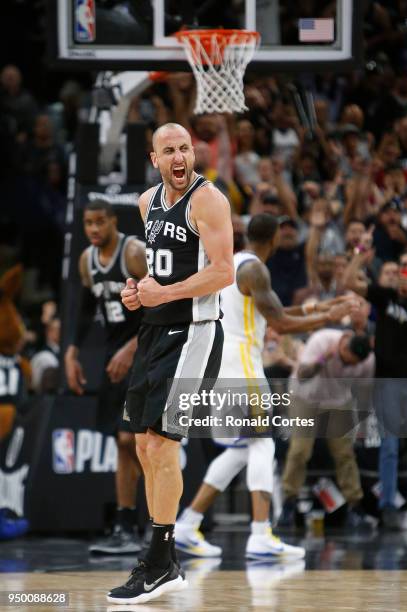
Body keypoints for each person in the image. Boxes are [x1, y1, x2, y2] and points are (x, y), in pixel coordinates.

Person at [175, 214, 355, 560]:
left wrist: (321, 307)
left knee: (241, 449)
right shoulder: (255, 269)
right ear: (273, 239)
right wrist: (329, 318)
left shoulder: (235, 264)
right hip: (243, 367)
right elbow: (281, 323)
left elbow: (269, 309)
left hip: (221, 365)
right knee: (262, 444)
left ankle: (187, 524)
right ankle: (260, 535)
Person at [107, 122, 234, 605]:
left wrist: (166, 293)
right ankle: (165, 563)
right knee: (142, 445)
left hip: (196, 335)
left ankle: (159, 562)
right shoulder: (147, 203)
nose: (180, 157)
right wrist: (139, 293)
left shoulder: (209, 200)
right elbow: (165, 268)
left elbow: (223, 271)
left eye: (185, 148)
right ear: (154, 158)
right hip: (156, 332)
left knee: (161, 445)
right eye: (170, 150)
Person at [64, 199, 147, 554]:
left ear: (113, 221)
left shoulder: (134, 253)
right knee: (122, 443)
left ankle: (154, 524)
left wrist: (132, 348)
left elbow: (165, 305)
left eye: (100, 222)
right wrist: (72, 351)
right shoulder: (86, 262)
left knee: (134, 442)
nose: (94, 230)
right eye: (88, 223)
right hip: (116, 357)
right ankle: (125, 525)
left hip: (146, 352)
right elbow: (84, 312)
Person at [344, 243, 407, 529]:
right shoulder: (386, 297)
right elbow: (349, 282)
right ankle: (387, 505)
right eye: (404, 267)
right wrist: (359, 256)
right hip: (386, 382)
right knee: (389, 446)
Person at [278, 329, 375, 529]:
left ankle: (354, 504)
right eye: (346, 361)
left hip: (337, 401)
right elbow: (302, 374)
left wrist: (361, 424)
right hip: (305, 397)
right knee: (300, 450)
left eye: (354, 364)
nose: (349, 366)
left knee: (344, 453)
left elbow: (364, 392)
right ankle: (289, 501)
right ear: (342, 346)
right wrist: (324, 359)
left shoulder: (367, 361)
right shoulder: (322, 340)